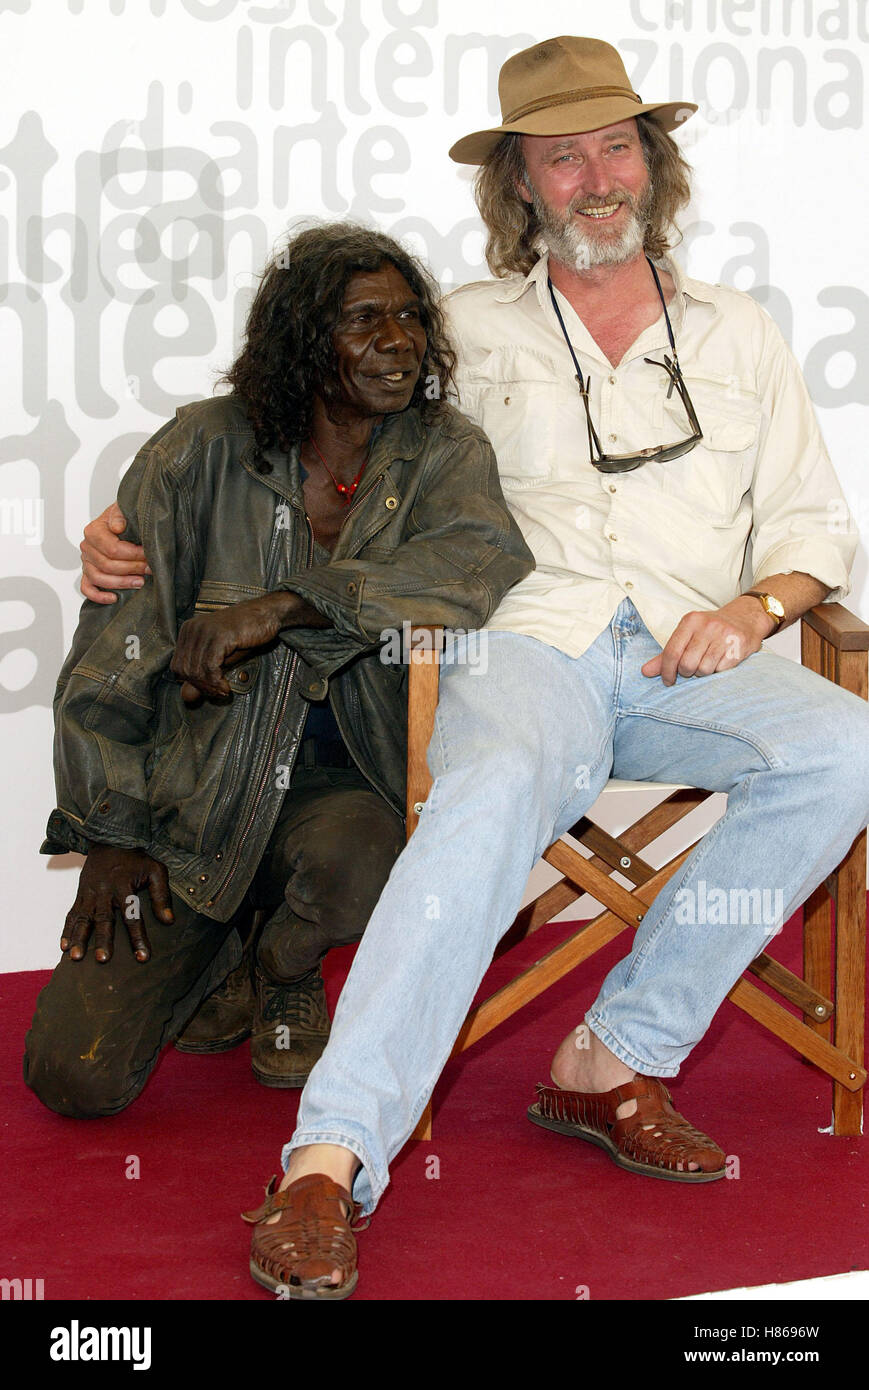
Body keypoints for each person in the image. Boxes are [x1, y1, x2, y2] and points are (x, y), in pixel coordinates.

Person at [81, 37, 869, 1303]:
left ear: (652, 168)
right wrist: (138, 521)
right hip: (515, 646)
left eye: (616, 147)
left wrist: (758, 603)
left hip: (689, 648)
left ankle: (613, 1054)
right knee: (488, 798)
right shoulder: (450, 327)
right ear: (521, 187)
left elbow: (814, 525)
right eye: (561, 157)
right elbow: (290, 425)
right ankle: (327, 1160)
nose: (594, 176)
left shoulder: (741, 332)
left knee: (845, 748)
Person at [26, 222, 532, 1118]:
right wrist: (110, 832)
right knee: (76, 1078)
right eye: (364, 320)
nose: (398, 340)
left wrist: (287, 603)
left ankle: (282, 963)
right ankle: (225, 949)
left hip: (353, 796)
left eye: (410, 317)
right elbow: (117, 652)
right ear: (303, 338)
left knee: (369, 866)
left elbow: (474, 565)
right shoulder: (199, 450)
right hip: (197, 807)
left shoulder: (442, 454)